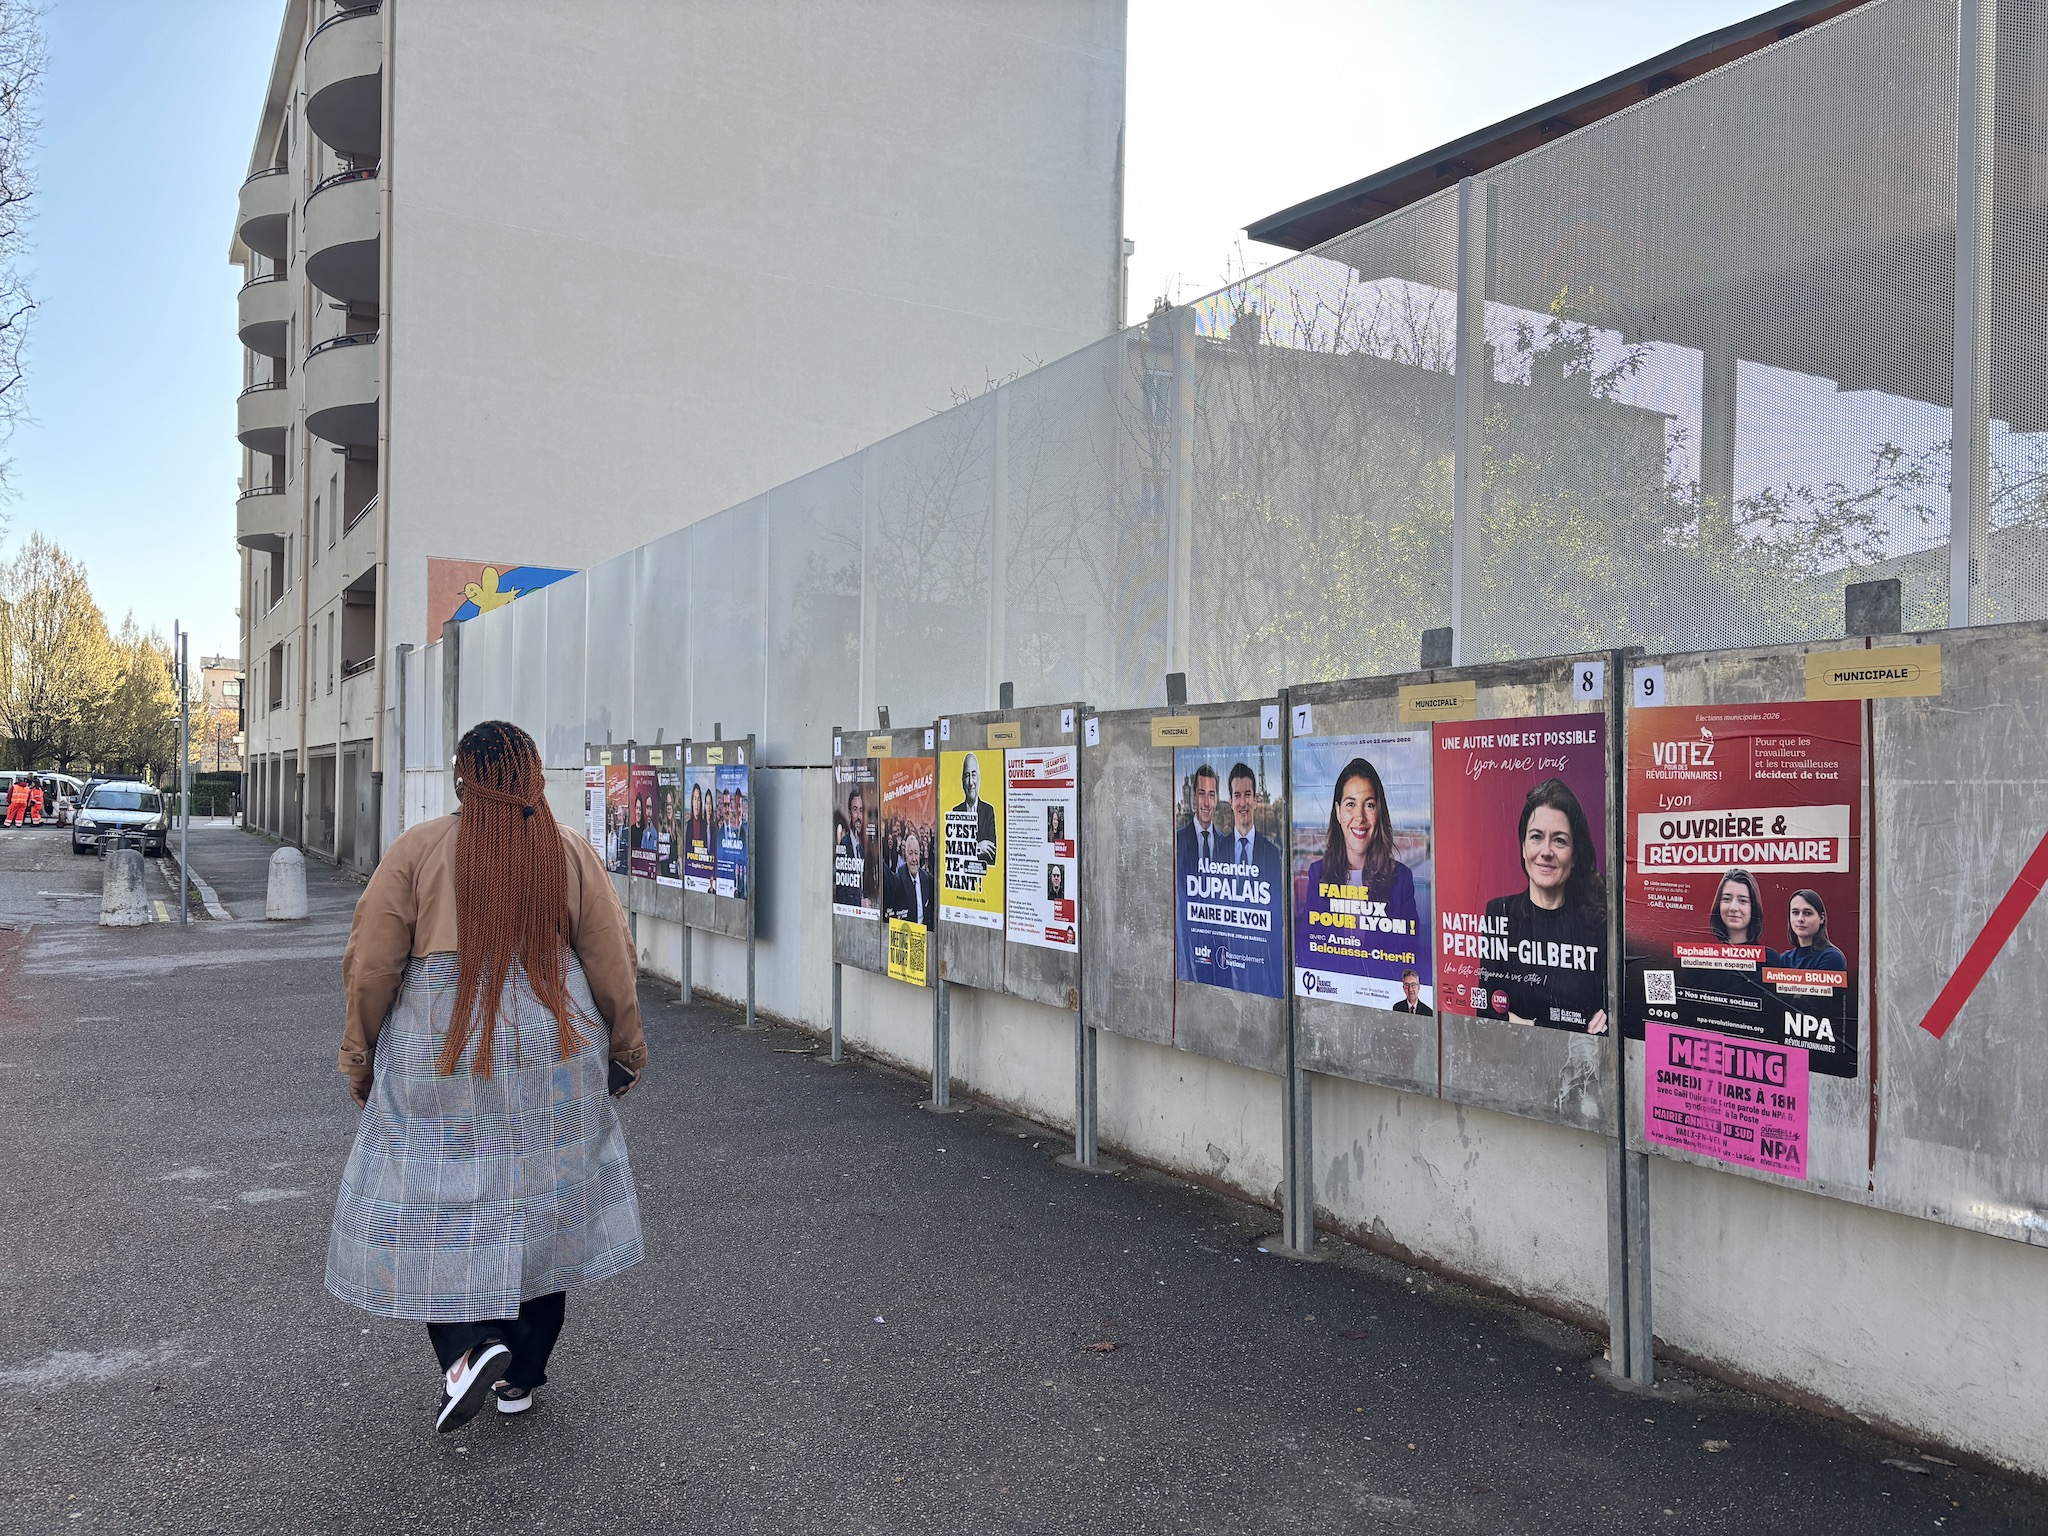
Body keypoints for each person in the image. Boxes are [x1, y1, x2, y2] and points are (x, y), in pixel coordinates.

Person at [326, 720, 646, 1433]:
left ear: (461, 778)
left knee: (431, 1201)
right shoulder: (567, 852)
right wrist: (625, 1048)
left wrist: (360, 1054)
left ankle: (468, 1349)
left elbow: (372, 964)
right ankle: (521, 1377)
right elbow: (612, 960)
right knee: (542, 1203)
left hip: (441, 1045)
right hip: (551, 1045)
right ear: (533, 775)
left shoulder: (417, 849)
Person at [1480, 777, 1608, 1033]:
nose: (1546, 851)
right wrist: (1550, 1026)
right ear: (1523, 848)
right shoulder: (1499, 914)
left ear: (1574, 856)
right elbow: (1486, 1009)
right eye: (1536, 837)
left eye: (1559, 840)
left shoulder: (1600, 925)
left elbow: (1605, 1023)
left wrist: (1521, 1022)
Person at [1295, 755, 1422, 979]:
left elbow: (1409, 957)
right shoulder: (1318, 874)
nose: (1359, 817)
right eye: (1350, 804)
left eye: (1369, 805)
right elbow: (1309, 949)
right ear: (1338, 812)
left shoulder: (1401, 878)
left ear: (1379, 813)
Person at [946, 753, 999, 888]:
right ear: (962, 781)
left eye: (973, 775)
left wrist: (967, 851)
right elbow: (954, 856)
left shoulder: (988, 811)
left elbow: (992, 857)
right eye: (967, 775)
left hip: (985, 885)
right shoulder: (955, 811)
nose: (970, 782)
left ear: (979, 779)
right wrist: (978, 848)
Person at [1772, 888, 1847, 971]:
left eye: (1807, 913)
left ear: (1822, 918)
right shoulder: (1784, 959)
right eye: (1795, 912)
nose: (1800, 919)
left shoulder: (1832, 957)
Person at [835, 782, 877, 911]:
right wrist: (859, 903)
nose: (858, 816)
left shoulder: (862, 848)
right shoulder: (844, 844)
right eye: (855, 810)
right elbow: (841, 892)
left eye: (860, 810)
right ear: (849, 814)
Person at [885, 828, 934, 927]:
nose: (914, 859)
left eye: (916, 853)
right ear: (906, 855)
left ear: (920, 854)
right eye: (910, 853)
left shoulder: (926, 879)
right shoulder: (900, 877)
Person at [1710, 868, 1766, 946]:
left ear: (1753, 908)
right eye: (1726, 899)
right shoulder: (1706, 955)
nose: (1733, 908)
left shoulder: (1768, 957)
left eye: (1742, 901)